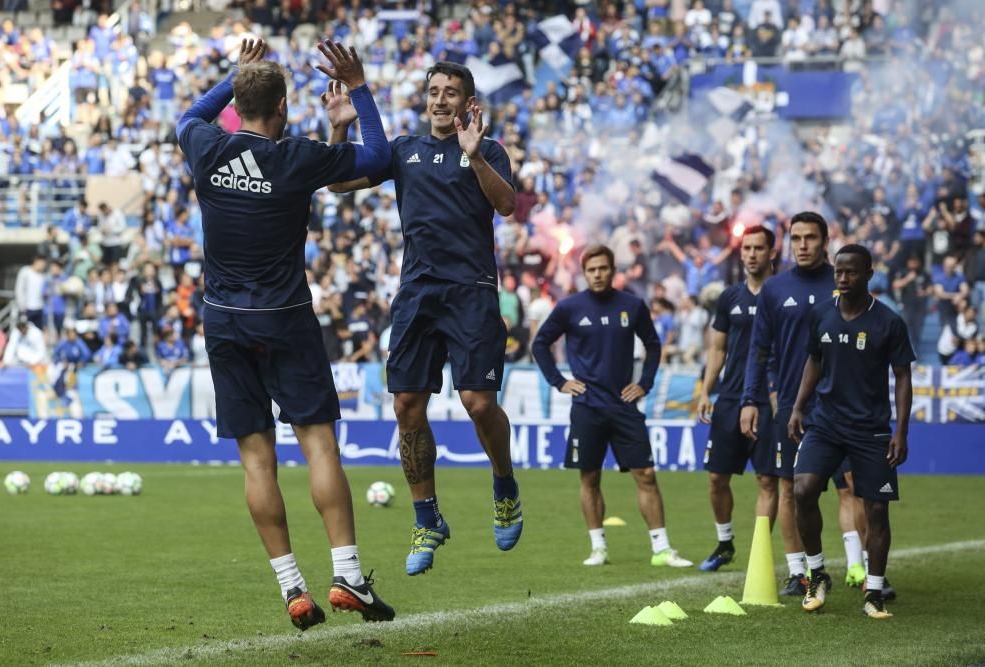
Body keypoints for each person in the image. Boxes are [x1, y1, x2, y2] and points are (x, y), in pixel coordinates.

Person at [176, 38, 395, 628]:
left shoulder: (206, 148)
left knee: (257, 461)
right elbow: (377, 160)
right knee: (319, 444)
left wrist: (235, 74)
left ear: (239, 104)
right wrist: (358, 90)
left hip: (224, 322)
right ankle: (347, 575)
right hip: (286, 319)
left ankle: (293, 588)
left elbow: (187, 117)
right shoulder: (296, 157)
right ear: (282, 108)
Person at [327, 61, 522, 576]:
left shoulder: (488, 148)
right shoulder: (403, 151)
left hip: (473, 293)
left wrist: (475, 155)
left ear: (468, 102)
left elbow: (507, 206)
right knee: (407, 405)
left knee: (479, 403)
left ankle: (503, 481)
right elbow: (339, 183)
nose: (439, 100)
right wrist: (340, 128)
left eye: (450, 93)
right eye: (434, 91)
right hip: (417, 294)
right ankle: (426, 517)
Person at [531, 245, 693, 569]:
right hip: (587, 407)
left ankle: (661, 548)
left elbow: (653, 344)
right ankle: (598, 547)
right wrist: (559, 381)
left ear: (612, 270)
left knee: (645, 474)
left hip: (623, 405)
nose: (598, 274)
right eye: (591, 270)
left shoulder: (632, 306)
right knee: (589, 477)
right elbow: (539, 344)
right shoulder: (569, 307)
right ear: (584, 272)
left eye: (603, 268)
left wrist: (644, 383)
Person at [789, 244, 914, 619]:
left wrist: (901, 431)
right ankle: (817, 574)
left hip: (871, 429)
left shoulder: (888, 322)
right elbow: (814, 360)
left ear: (869, 275)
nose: (843, 279)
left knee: (876, 510)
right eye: (839, 272)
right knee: (803, 489)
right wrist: (798, 406)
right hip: (825, 423)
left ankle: (874, 591)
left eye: (851, 273)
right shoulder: (822, 315)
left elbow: (904, 377)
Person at [739, 211, 840, 596]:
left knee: (851, 487)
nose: (803, 245)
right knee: (786, 487)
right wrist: (751, 398)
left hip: (842, 407)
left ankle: (861, 570)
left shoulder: (843, 282)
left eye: (810, 238)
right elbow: (758, 350)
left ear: (825, 241)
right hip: (791, 408)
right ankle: (798, 573)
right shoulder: (775, 289)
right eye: (796, 238)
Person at [696, 226, 778, 571]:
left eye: (759, 248)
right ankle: (725, 542)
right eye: (746, 248)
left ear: (771, 252)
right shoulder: (730, 297)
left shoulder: (782, 295)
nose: (752, 254)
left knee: (767, 480)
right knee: (716, 477)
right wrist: (705, 390)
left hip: (770, 399)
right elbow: (717, 348)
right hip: (729, 396)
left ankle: (761, 554)